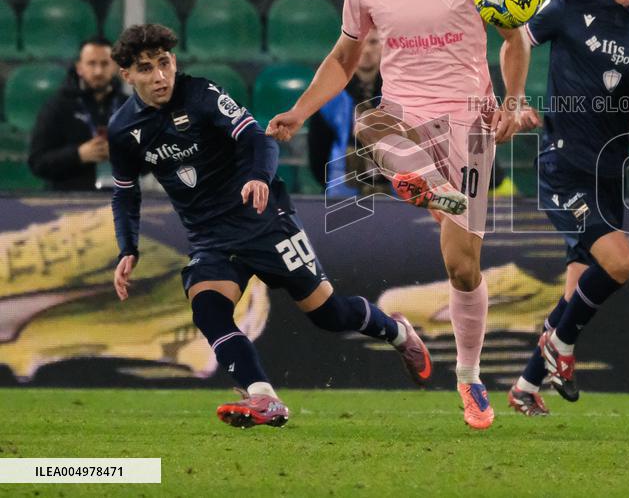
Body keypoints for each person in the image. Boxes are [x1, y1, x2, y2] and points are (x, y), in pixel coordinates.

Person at [267, 0, 530, 430]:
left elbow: (514, 38)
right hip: (405, 117)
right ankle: (433, 191)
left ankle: (469, 379)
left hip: (471, 126)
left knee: (463, 269)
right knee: (369, 122)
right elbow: (343, 59)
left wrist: (512, 101)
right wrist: (299, 111)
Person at [108, 23, 432, 429]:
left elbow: (258, 140)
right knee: (208, 309)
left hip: (264, 220)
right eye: (145, 68)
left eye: (164, 63)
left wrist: (258, 176)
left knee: (329, 314)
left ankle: (397, 332)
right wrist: (128, 248)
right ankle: (263, 397)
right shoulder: (123, 130)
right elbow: (125, 192)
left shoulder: (202, 94)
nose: (159, 76)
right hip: (210, 237)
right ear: (126, 74)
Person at [506, 0, 629, 416]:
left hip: (612, 172)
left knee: (579, 285)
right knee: (620, 262)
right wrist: (516, 104)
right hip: (564, 165)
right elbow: (519, 42)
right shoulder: (565, 8)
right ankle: (559, 347)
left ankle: (528, 385)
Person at [28, 36, 128, 191]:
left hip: (121, 201)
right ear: (79, 67)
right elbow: (37, 163)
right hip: (67, 200)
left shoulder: (129, 107)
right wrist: (78, 155)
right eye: (91, 63)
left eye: (104, 63)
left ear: (115, 66)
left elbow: (152, 159)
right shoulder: (57, 106)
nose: (98, 71)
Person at [307, 30, 385, 195]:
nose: (366, 50)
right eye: (358, 44)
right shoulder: (328, 94)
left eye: (372, 42)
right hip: (342, 195)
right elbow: (317, 154)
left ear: (384, 45)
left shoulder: (400, 93)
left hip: (392, 197)